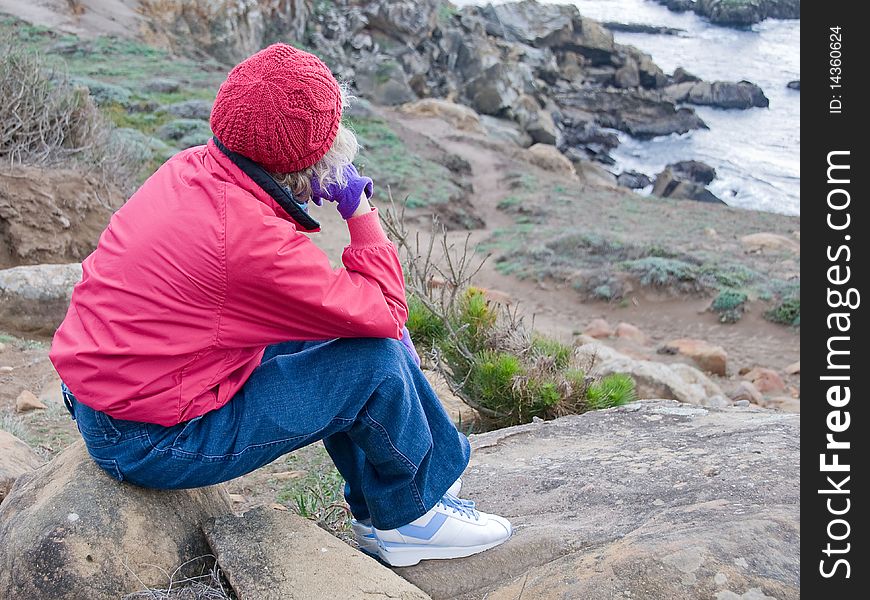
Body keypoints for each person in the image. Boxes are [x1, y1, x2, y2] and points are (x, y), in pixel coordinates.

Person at [49, 43, 511, 568]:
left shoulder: (191, 169)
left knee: (345, 334)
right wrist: (359, 209)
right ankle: (412, 518)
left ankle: (382, 509)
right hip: (147, 438)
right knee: (376, 358)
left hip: (112, 395)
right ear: (311, 154)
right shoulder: (249, 239)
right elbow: (387, 312)